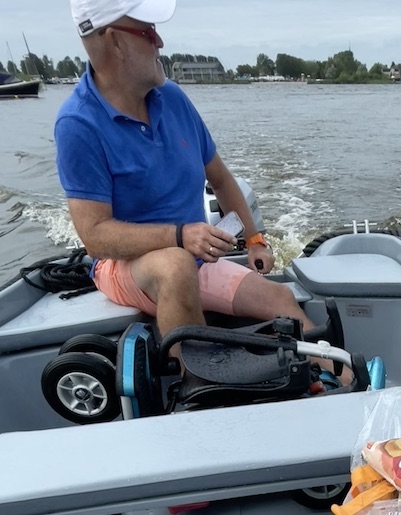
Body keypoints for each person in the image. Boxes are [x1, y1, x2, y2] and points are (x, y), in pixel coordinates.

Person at [56, 0, 325, 362]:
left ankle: (340, 386)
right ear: (114, 41)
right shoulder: (78, 124)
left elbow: (222, 180)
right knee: (174, 266)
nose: (160, 42)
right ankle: (197, 388)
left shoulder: (174, 99)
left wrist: (256, 239)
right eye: (147, 32)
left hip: (190, 259)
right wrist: (179, 236)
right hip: (122, 266)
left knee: (281, 300)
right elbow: (95, 236)